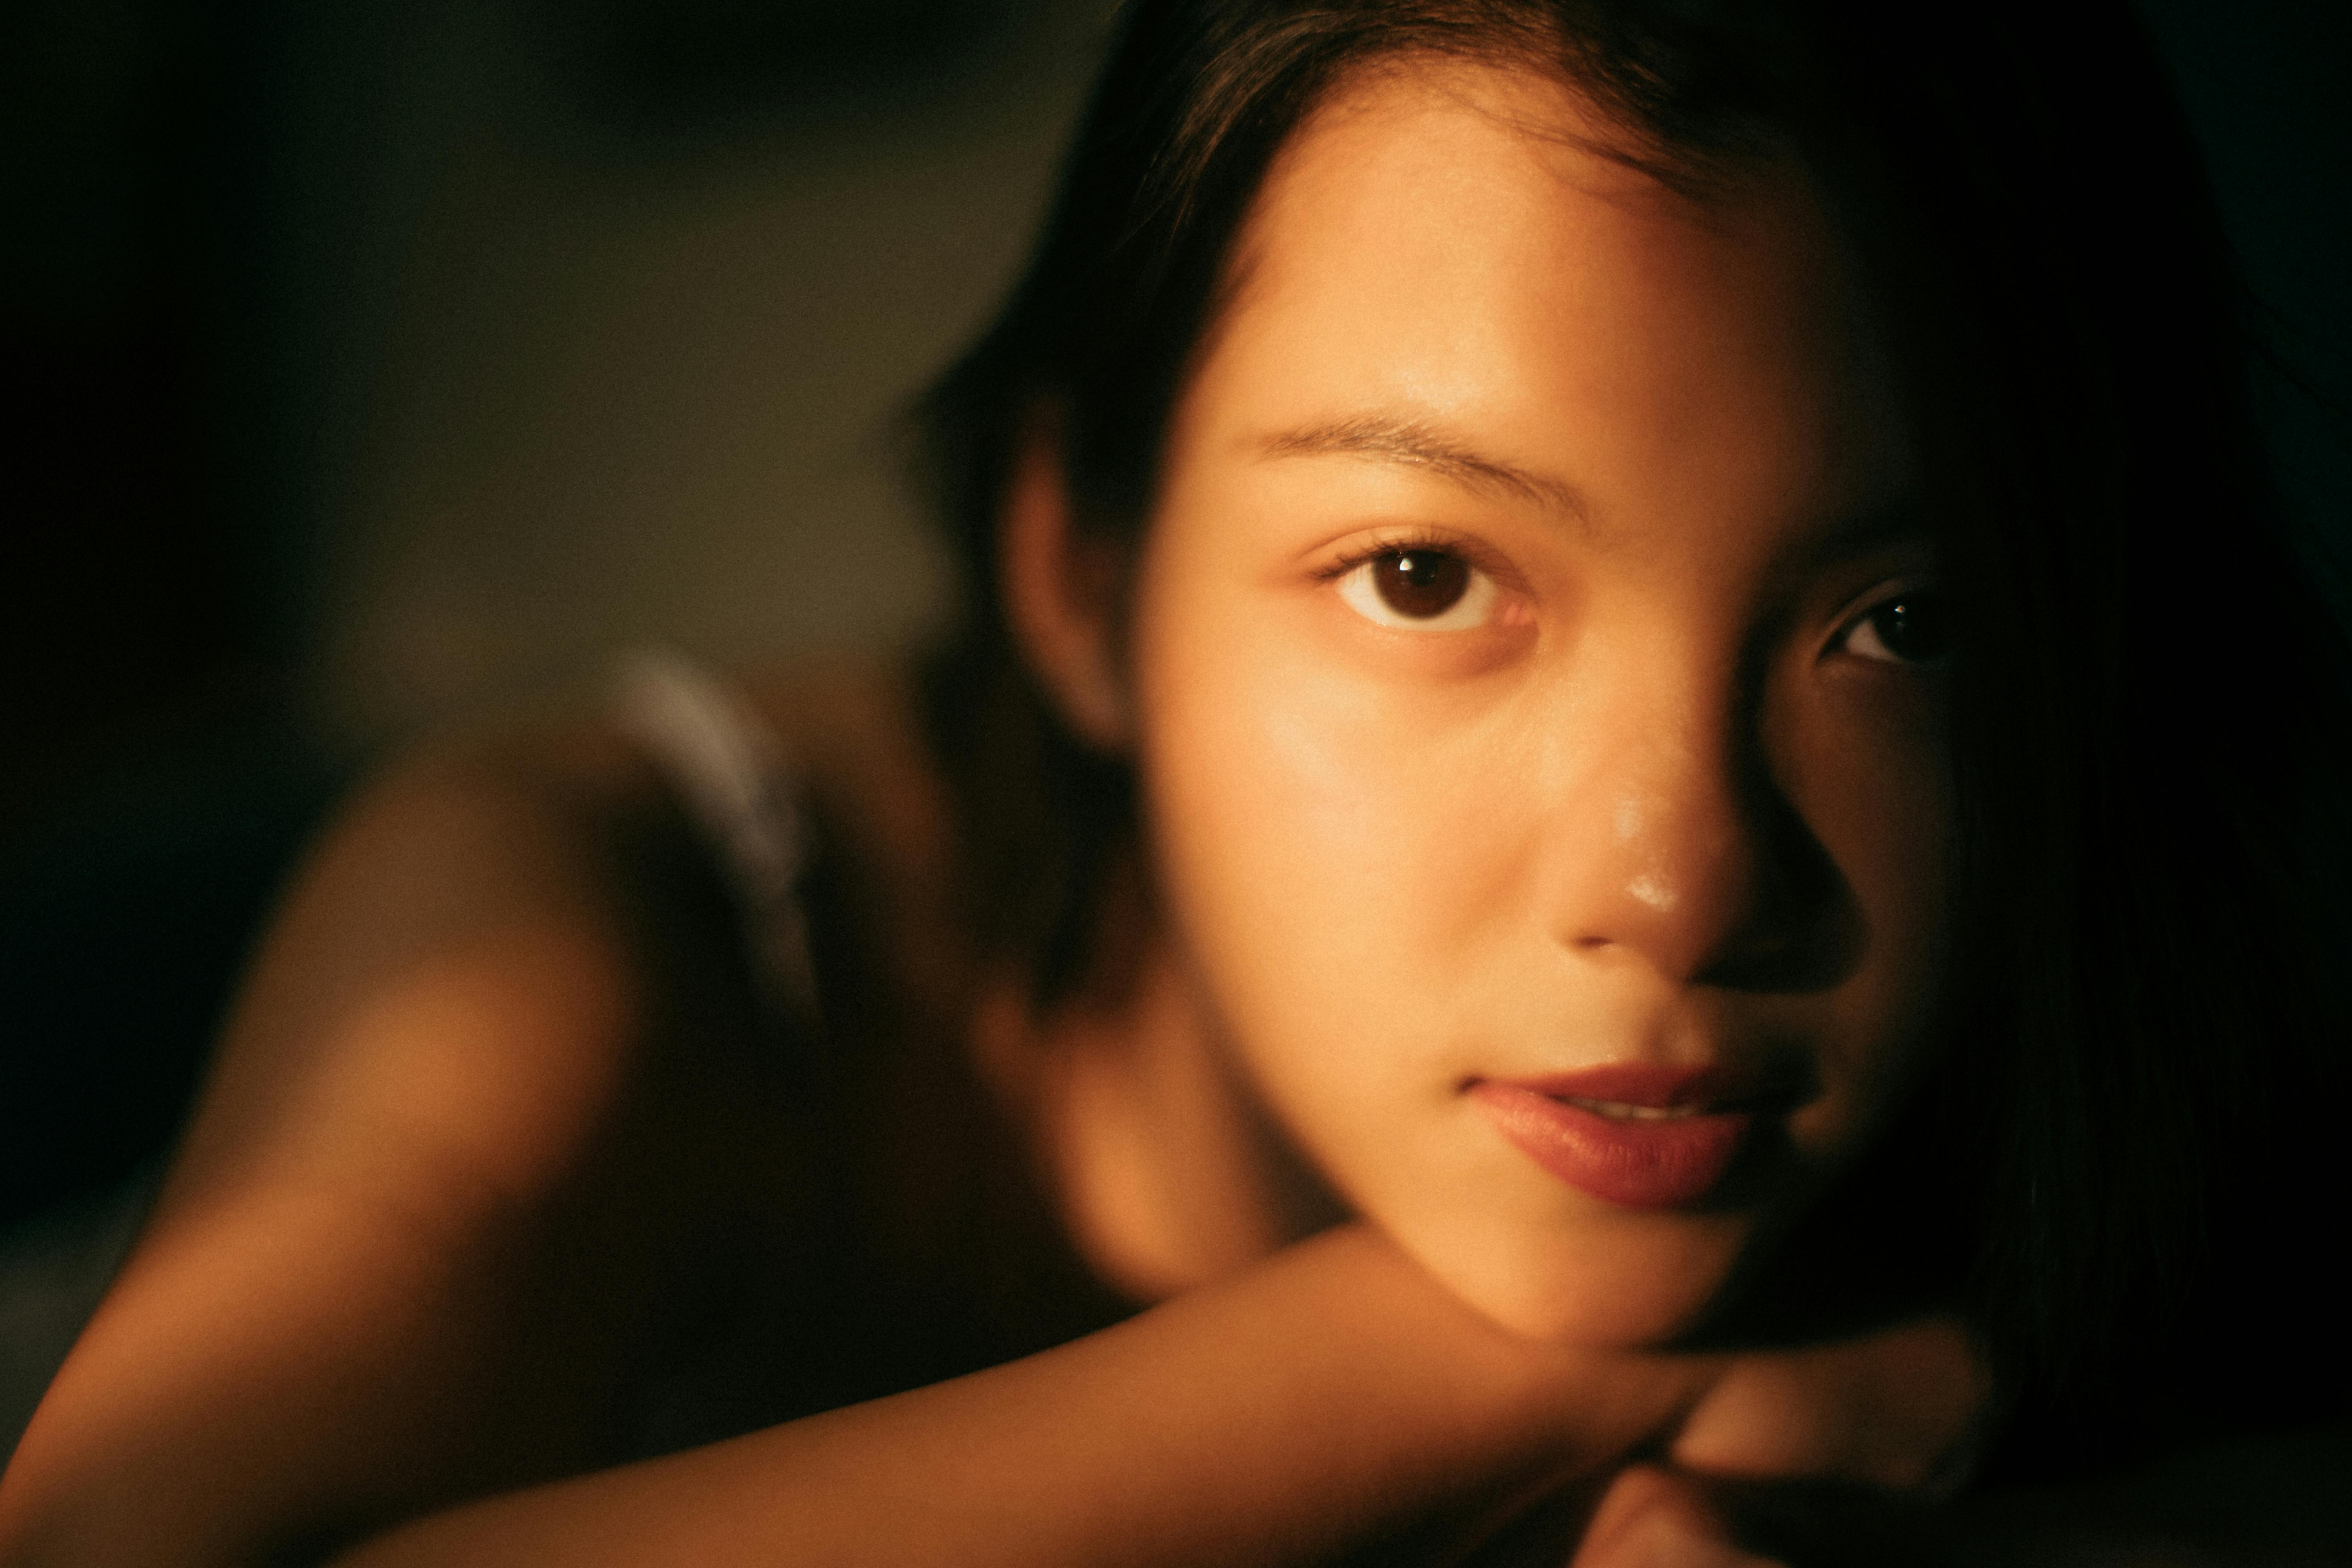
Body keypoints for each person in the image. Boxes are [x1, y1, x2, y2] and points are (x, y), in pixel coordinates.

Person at [2, 0, 2346, 1563]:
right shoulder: (604, 919)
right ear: (1079, 571)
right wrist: (1462, 1378)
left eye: (1898, 626)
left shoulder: (2129, 945)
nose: (1686, 879)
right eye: (1427, 574)